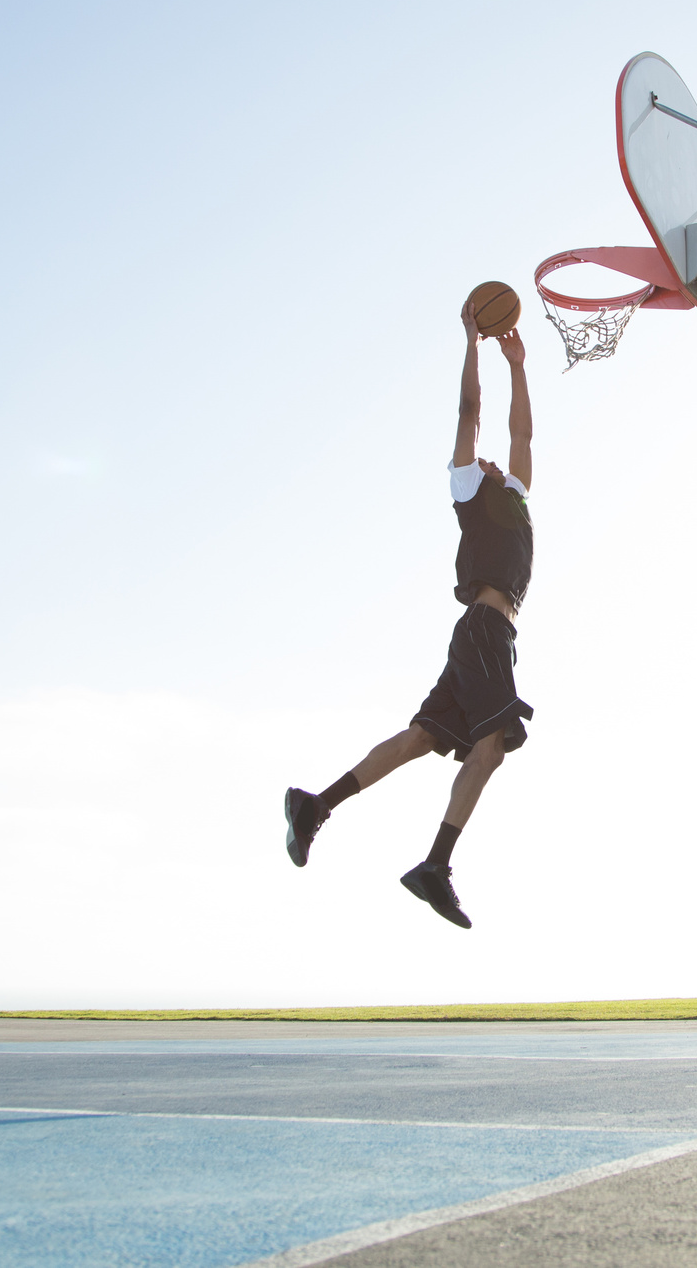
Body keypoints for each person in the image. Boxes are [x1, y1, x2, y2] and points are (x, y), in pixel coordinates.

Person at [281, 304, 534, 927]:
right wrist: (474, 344)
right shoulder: (470, 490)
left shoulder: (515, 498)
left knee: (424, 737)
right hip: (483, 629)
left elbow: (523, 436)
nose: (497, 461)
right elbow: (470, 414)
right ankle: (435, 865)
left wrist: (519, 365)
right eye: (487, 462)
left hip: (486, 636)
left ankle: (317, 806)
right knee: (493, 743)